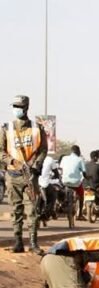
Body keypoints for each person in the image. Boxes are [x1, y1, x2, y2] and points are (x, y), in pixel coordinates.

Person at [0, 95, 48, 254]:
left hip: (30, 176)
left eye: (19, 106)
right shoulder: (6, 128)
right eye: (14, 106)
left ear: (26, 108)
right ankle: (18, 241)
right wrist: (13, 162)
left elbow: (43, 150)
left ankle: (34, 243)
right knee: (16, 210)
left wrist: (36, 165)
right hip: (13, 175)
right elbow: (1, 151)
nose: (16, 109)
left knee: (32, 210)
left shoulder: (37, 128)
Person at [60, 144, 87, 220]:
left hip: (65, 182)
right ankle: (80, 214)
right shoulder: (80, 159)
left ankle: (63, 203)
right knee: (81, 195)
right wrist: (88, 177)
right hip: (76, 183)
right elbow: (84, 173)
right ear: (77, 151)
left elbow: (61, 170)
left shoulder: (64, 158)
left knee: (63, 192)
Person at [38, 154, 62, 220]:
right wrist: (56, 178)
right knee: (53, 195)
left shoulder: (31, 158)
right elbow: (56, 173)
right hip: (45, 184)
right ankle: (48, 211)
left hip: (34, 184)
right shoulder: (49, 159)